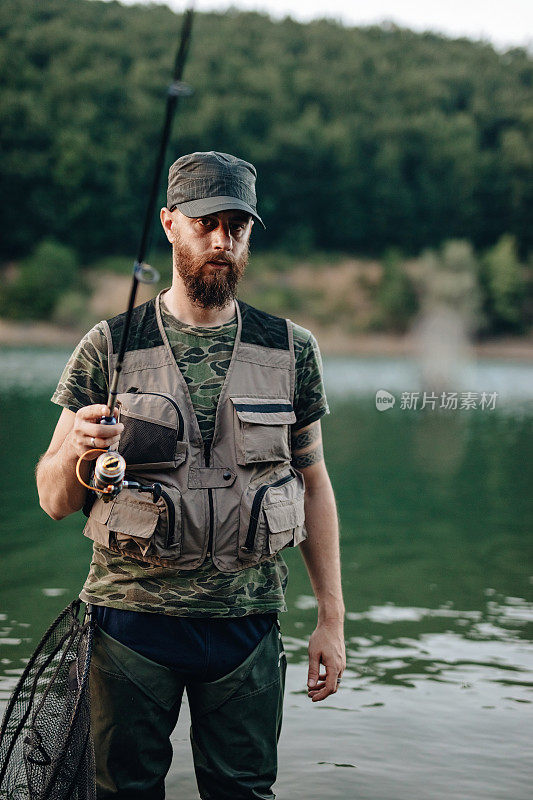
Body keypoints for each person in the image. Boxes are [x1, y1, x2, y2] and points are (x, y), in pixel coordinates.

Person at [36, 151, 345, 800]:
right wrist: (77, 454)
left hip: (247, 626)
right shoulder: (109, 345)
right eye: (205, 222)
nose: (221, 240)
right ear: (170, 223)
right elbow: (51, 499)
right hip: (128, 625)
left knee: (245, 792)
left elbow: (313, 483)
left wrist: (331, 620)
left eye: (237, 226)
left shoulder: (291, 349)